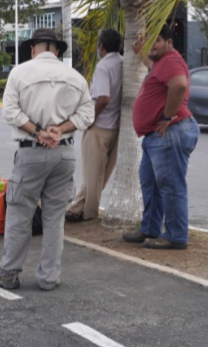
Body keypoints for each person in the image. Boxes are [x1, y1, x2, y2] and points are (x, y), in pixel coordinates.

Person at [0, 28, 94, 292]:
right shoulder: (75, 77)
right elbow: (87, 114)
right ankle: (49, 277)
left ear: (33, 49)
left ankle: (9, 274)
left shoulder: (19, 72)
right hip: (65, 153)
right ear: (57, 50)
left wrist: (38, 132)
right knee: (54, 218)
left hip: (31, 152)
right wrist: (61, 129)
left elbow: (10, 112)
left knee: (19, 215)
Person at [122, 23, 197, 250]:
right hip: (155, 137)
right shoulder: (161, 63)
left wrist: (167, 117)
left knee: (171, 187)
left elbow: (179, 86)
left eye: (156, 40)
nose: (151, 44)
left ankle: (176, 236)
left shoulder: (171, 61)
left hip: (169, 132)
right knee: (150, 185)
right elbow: (154, 69)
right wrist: (142, 53)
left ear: (169, 43)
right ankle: (150, 228)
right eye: (148, 40)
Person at [66, 28, 123, 223]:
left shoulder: (103, 66)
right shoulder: (124, 63)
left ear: (102, 46)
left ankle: (89, 212)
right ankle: (76, 207)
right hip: (117, 127)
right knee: (101, 174)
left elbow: (104, 98)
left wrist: (90, 119)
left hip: (100, 126)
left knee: (92, 174)